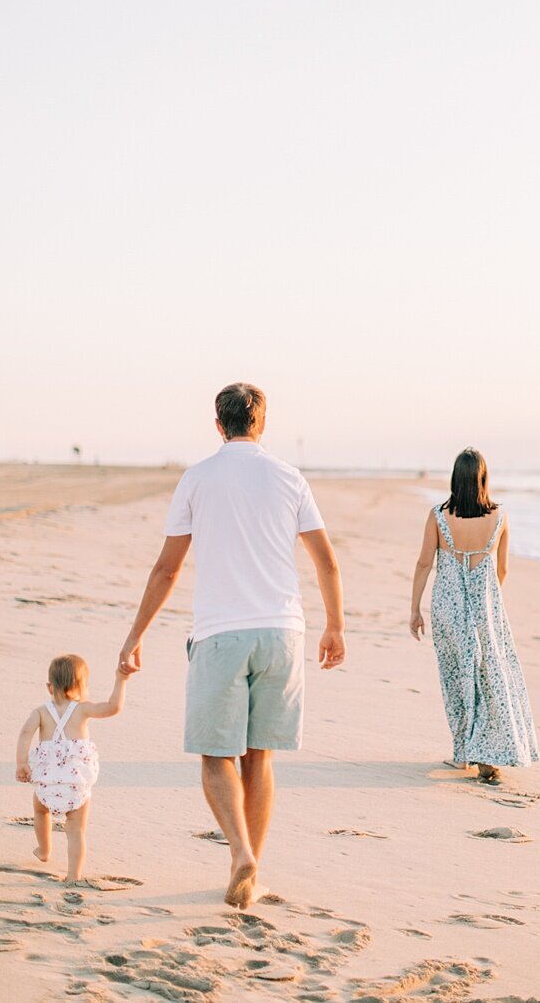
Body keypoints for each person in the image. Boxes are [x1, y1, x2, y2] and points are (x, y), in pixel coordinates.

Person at [117, 383, 345, 910]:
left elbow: (168, 567)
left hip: (221, 634)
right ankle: (251, 870)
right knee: (258, 757)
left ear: (218, 425)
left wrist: (135, 636)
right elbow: (326, 560)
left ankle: (240, 851)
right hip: (282, 632)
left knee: (216, 755)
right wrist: (335, 625)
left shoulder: (197, 478)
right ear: (261, 423)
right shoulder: (290, 478)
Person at [407, 448, 540, 784]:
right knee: (488, 676)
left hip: (446, 607)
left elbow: (425, 563)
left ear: (455, 478)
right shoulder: (500, 516)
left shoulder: (438, 515)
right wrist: (486, 600)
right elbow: (503, 569)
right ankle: (486, 751)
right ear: (483, 479)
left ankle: (466, 752)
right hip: (485, 610)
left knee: (456, 679)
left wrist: (415, 609)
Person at [14, 653, 127, 881]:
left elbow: (25, 733)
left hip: (48, 782)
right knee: (76, 830)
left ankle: (44, 850)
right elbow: (113, 707)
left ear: (49, 687)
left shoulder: (41, 712)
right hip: (76, 785)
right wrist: (121, 679)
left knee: (40, 810)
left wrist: (22, 762)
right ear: (82, 686)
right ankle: (73, 875)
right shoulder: (83, 709)